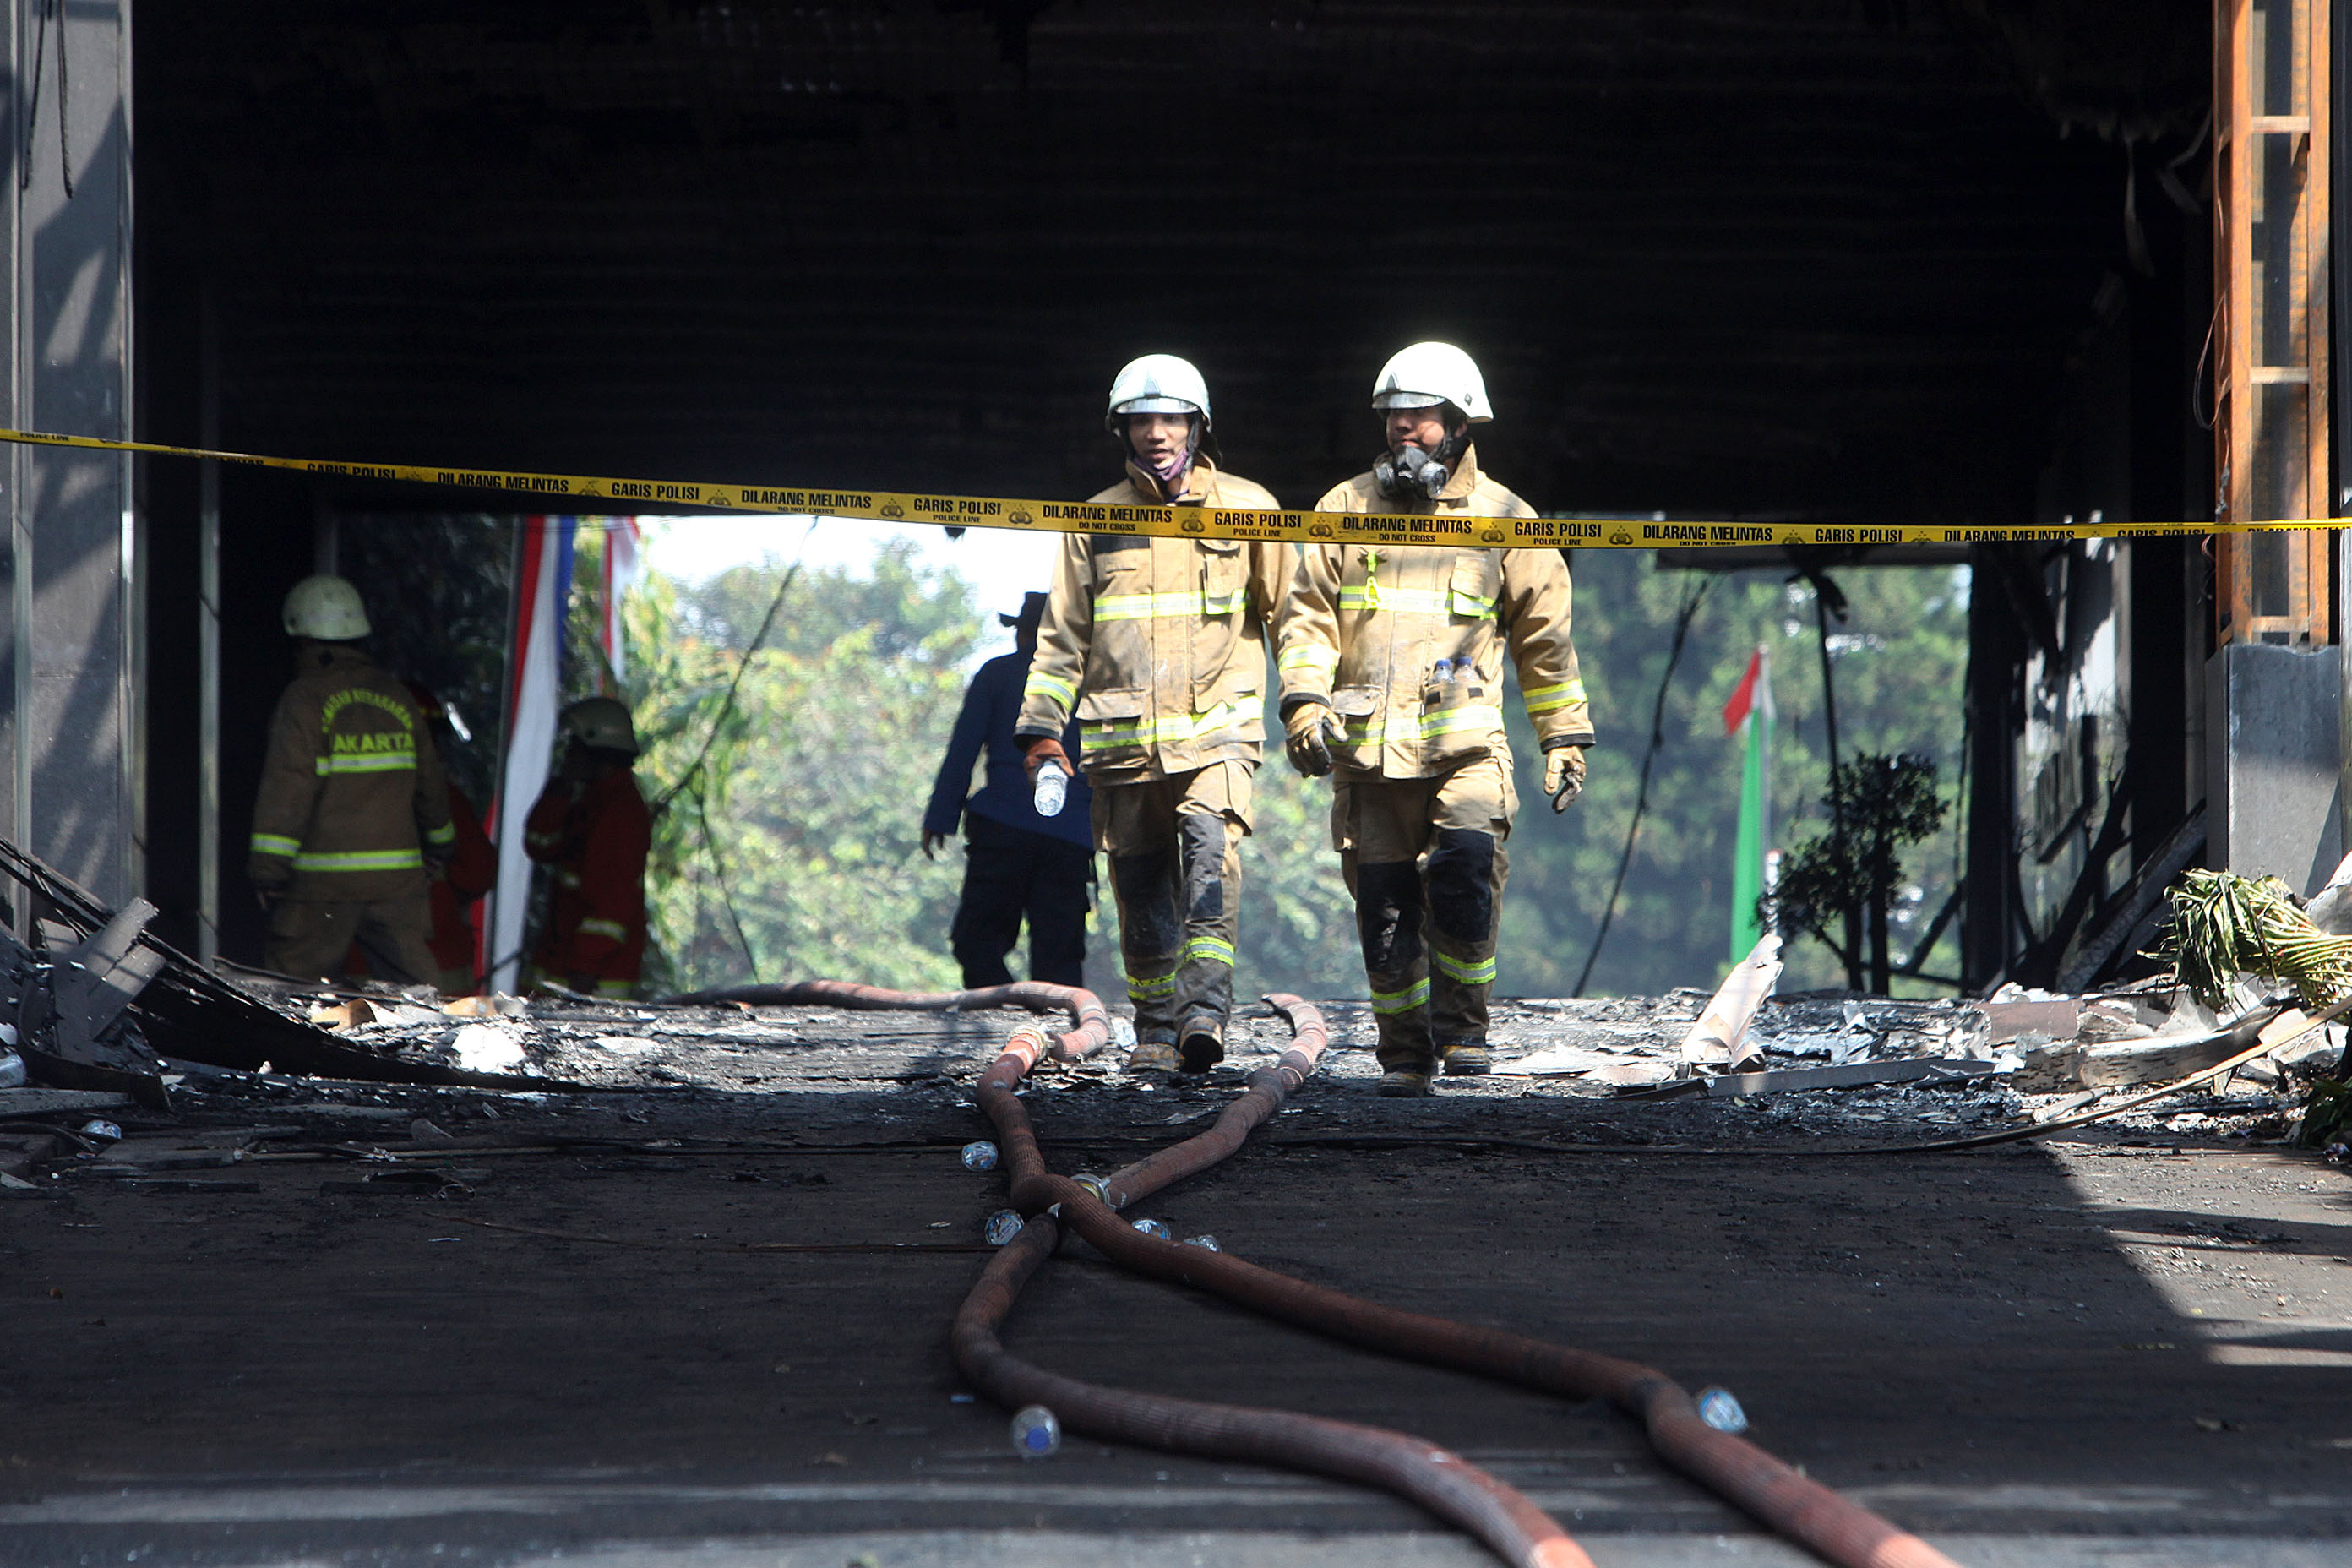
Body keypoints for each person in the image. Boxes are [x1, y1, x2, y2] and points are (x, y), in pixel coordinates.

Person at [1277, 342, 1594, 1097]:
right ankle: (1405, 1052)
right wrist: (1304, 703)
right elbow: (1306, 621)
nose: (1401, 431)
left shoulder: (1509, 519)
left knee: (1464, 875)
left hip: (1466, 745)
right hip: (1368, 750)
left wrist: (1565, 737)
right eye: (1392, 418)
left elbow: (1543, 641)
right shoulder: (1342, 510)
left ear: (1458, 423)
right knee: (1385, 911)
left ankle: (1465, 1031)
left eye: (1417, 419)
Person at [1015, 354, 1290, 1075]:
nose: (1157, 434)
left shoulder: (1250, 509)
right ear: (1122, 430)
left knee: (1208, 868)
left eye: (1171, 419)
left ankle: (1205, 1015)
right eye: (1142, 420)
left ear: (1197, 426)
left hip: (1218, 737)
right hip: (1123, 745)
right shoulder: (1094, 522)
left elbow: (1295, 619)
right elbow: (1062, 639)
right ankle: (1157, 1033)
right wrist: (1043, 733)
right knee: (1140, 893)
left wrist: (1311, 703)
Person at [248, 574, 454, 985]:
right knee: (418, 1000)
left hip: (321, 885)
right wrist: (441, 848)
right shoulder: (398, 698)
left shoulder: (305, 698)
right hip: (396, 885)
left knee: (292, 997)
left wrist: (268, 871)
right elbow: (430, 785)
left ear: (305, 640)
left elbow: (289, 788)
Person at [923, 592, 1095, 988]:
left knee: (976, 942)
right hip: (1069, 836)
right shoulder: (1092, 685)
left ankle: (1001, 1011)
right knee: (1059, 958)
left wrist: (940, 817)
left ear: (1026, 633)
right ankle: (1049, 1027)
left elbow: (962, 750)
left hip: (1003, 828)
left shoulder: (998, 674)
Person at [524, 696, 653, 998]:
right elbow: (538, 845)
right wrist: (561, 789)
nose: (568, 755)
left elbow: (613, 902)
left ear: (594, 748)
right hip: (561, 967)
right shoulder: (589, 800)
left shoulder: (621, 812)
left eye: (574, 747)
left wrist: (585, 966)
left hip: (588, 980)